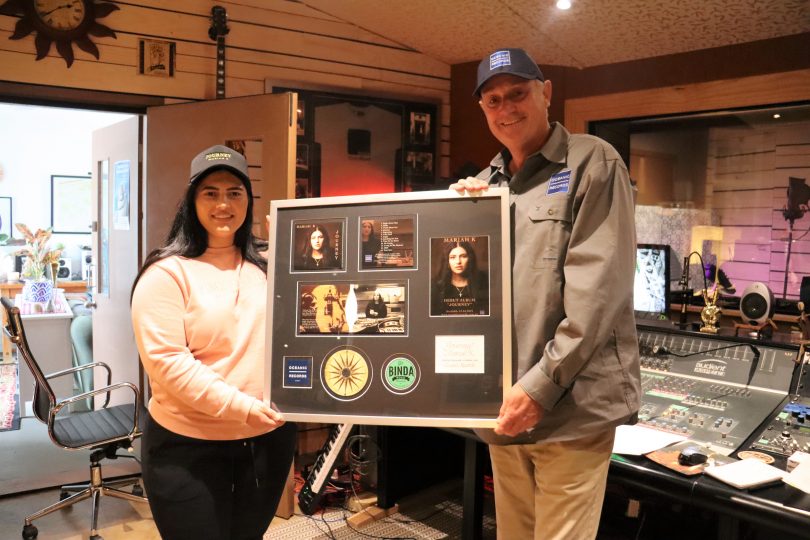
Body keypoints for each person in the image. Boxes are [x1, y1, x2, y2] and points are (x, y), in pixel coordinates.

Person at [452, 48, 640, 540]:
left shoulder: (593, 162)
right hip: (504, 409)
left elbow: (597, 293)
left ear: (547, 93)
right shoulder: (488, 184)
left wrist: (538, 388)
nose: (507, 108)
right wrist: (454, 221)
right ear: (483, 109)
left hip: (569, 410)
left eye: (518, 94)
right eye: (493, 100)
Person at [130, 145, 297, 540]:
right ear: (192, 201)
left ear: (248, 201)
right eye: (211, 192)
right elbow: (169, 364)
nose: (224, 204)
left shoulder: (271, 266)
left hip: (266, 442)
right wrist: (242, 409)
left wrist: (470, 197)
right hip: (187, 449)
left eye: (234, 193)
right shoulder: (166, 274)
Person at [430, 240, 489, 316]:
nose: (458, 261)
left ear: (470, 259)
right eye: (452, 257)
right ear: (447, 262)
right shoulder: (435, 285)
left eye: (463, 256)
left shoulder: (483, 281)